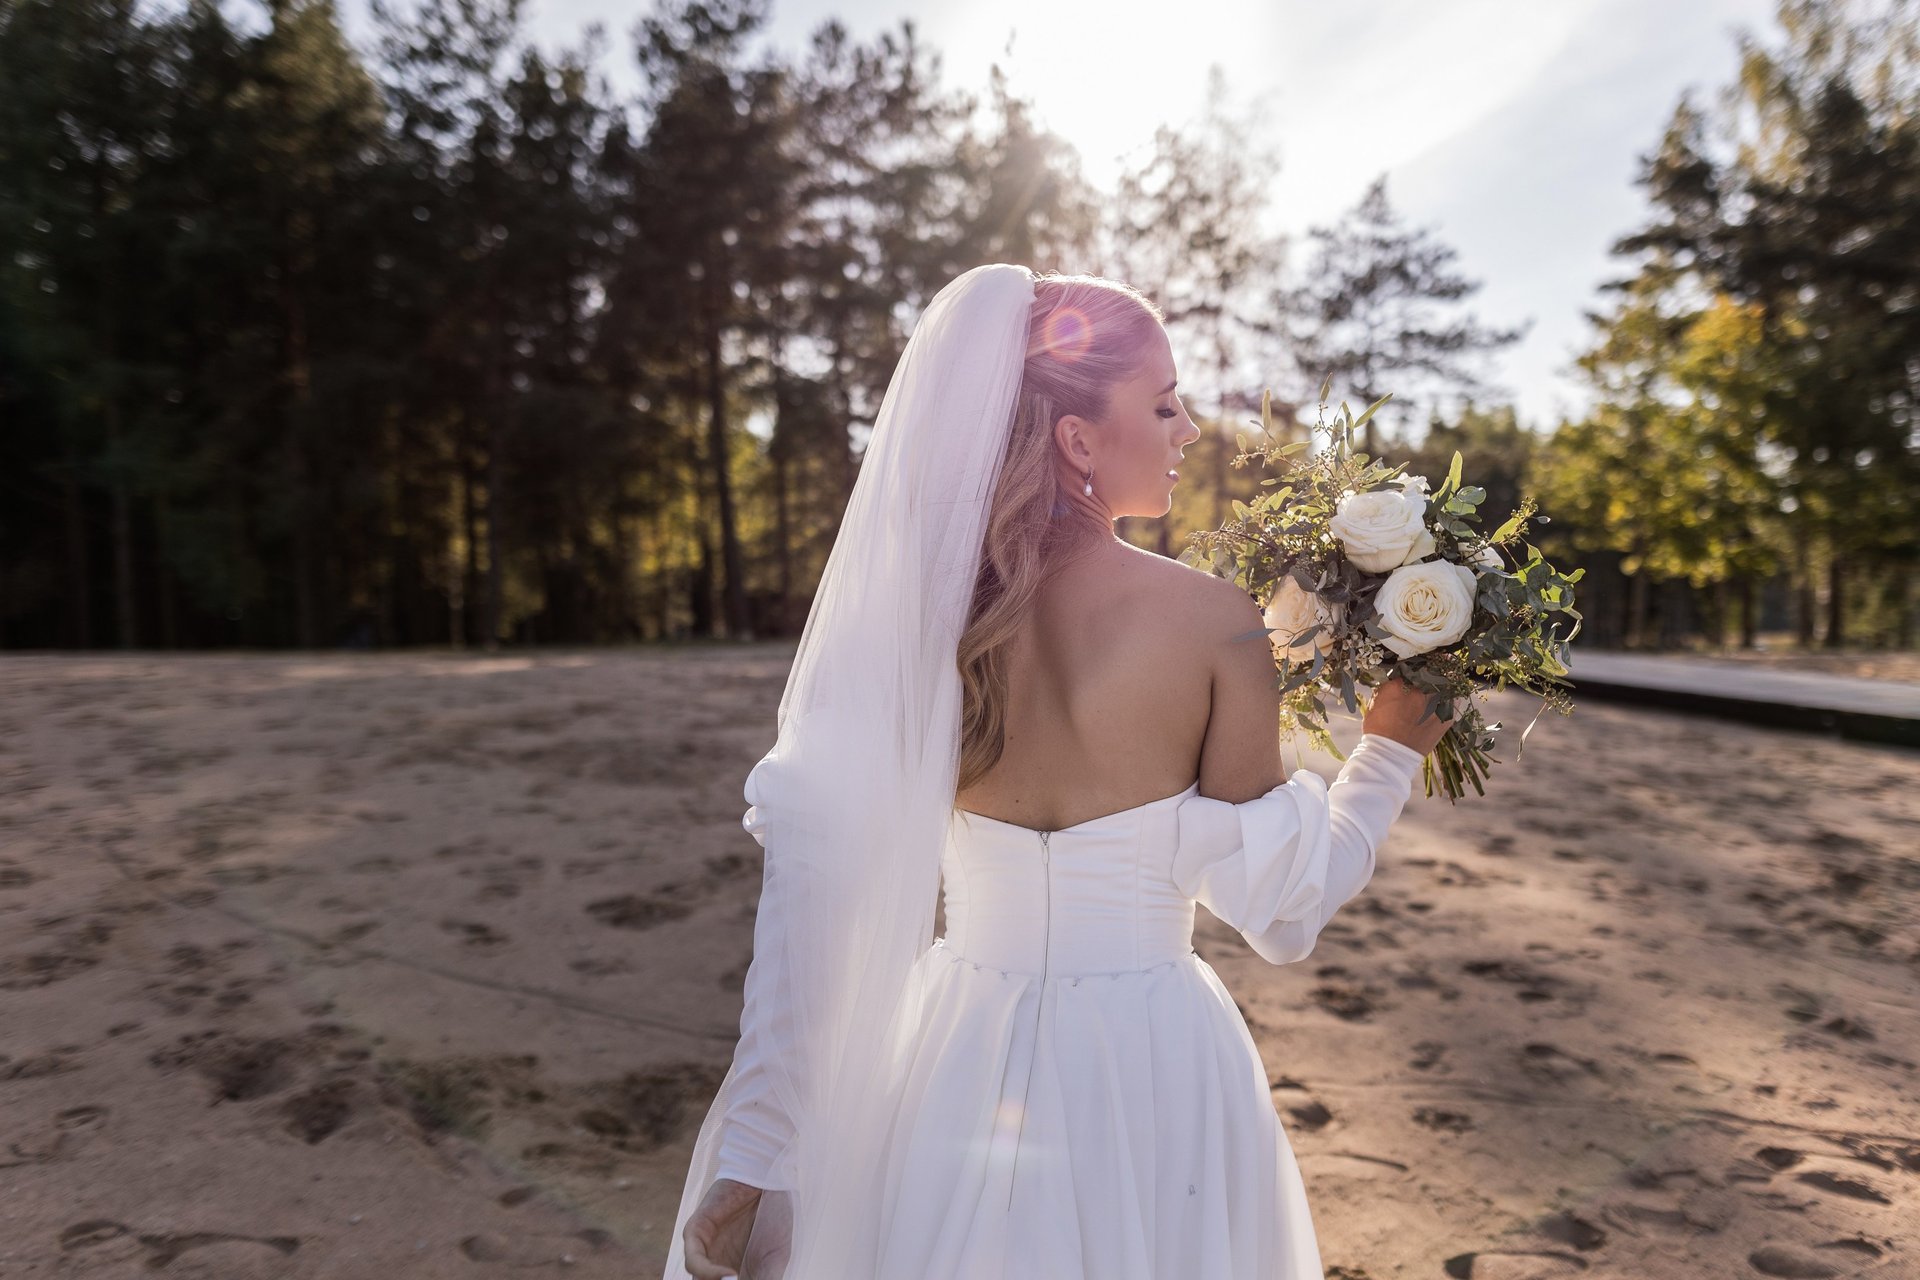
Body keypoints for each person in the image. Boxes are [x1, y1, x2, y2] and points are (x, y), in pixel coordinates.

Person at [664, 265, 1455, 1280]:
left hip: (954, 1052)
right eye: (1163, 404)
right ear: (1077, 440)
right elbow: (1281, 911)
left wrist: (757, 1151)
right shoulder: (1216, 623)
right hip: (1150, 1061)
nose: (1188, 430)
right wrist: (1388, 751)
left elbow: (811, 890)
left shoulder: (924, 628)